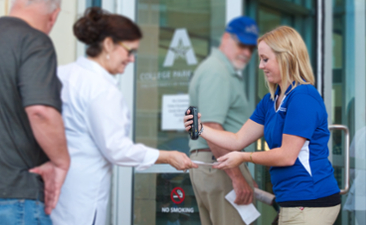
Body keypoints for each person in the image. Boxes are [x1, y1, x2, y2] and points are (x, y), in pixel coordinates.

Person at [50, 7, 197, 225]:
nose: (131, 59)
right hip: (83, 197)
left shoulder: (62, 73)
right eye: (129, 51)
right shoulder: (102, 89)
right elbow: (116, 148)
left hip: (56, 190)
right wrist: (167, 156)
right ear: (108, 44)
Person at [185, 26, 341, 225]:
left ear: (286, 57)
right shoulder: (270, 101)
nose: (260, 66)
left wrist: (243, 157)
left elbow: (286, 155)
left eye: (265, 59)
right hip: (291, 201)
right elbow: (237, 139)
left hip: (312, 200)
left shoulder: (303, 97)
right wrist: (200, 129)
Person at [0, 0, 70, 224]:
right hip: (15, 196)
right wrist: (61, 162)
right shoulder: (33, 41)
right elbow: (40, 111)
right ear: (54, 15)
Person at [187, 16, 259, 225]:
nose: (246, 53)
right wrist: (236, 177)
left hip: (216, 164)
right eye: (241, 45)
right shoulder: (217, 72)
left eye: (251, 48)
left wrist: (243, 175)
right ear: (226, 38)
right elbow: (210, 127)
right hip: (218, 165)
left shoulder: (219, 70)